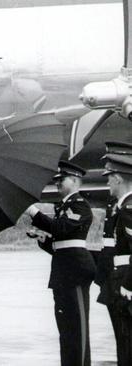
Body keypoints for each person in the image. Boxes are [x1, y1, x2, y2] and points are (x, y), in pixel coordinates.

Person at [25, 161, 96, 366]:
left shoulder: (80, 205)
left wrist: (33, 212)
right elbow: (59, 244)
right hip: (63, 273)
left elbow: (60, 229)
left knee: (78, 330)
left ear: (74, 180)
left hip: (75, 272)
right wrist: (41, 238)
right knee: (66, 331)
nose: (57, 183)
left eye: (61, 179)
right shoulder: (64, 207)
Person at [99, 141, 132, 365]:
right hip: (118, 281)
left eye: (109, 176)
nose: (108, 180)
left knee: (128, 346)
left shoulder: (129, 208)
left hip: (126, 285)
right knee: (123, 345)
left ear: (118, 178)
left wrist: (128, 286)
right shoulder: (120, 207)